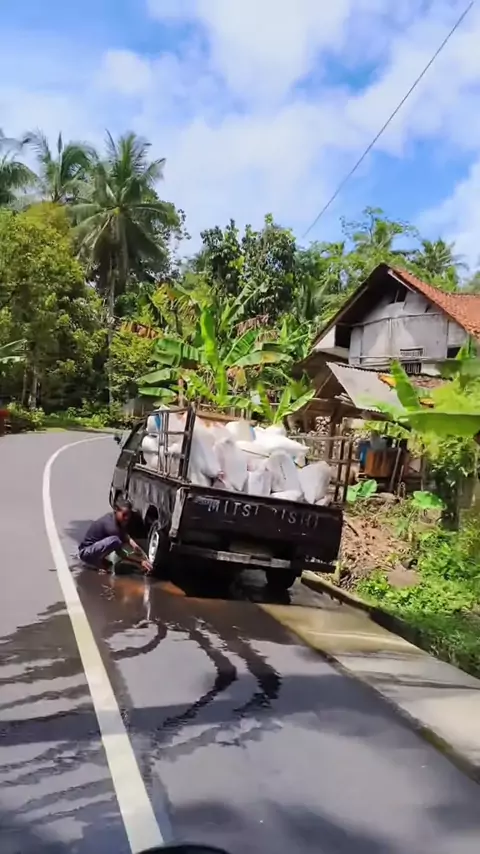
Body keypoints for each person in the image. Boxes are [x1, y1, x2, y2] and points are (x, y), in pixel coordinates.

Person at [78, 498, 153, 574]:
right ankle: (93, 563)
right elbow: (121, 553)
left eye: (128, 515)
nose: (126, 518)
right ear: (116, 511)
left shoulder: (114, 518)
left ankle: (98, 560)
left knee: (117, 546)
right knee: (115, 541)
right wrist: (140, 561)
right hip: (86, 552)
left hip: (92, 549)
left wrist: (134, 545)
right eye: (124, 515)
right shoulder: (110, 525)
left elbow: (124, 535)